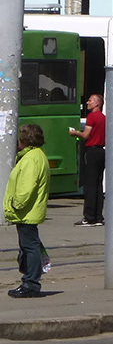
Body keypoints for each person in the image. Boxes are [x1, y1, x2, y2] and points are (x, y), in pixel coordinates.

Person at [4, 123, 50, 298]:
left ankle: (31, 282)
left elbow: (26, 187)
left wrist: (16, 204)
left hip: (26, 212)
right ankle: (30, 279)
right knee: (28, 246)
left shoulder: (31, 158)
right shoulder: (35, 156)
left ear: (24, 140)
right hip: (29, 211)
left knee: (29, 247)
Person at [69, 93, 105, 226]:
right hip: (101, 151)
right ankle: (98, 216)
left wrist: (75, 133)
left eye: (90, 100)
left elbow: (85, 135)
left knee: (89, 185)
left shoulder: (92, 117)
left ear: (97, 103)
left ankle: (89, 217)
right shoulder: (104, 118)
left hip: (91, 152)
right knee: (98, 184)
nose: (87, 103)